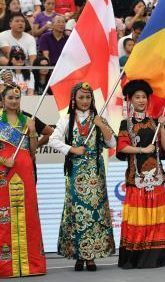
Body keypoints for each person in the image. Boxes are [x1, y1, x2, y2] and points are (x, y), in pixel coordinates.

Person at [49, 82, 116, 271]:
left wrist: (102, 126)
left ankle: (91, 256)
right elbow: (53, 140)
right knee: (76, 214)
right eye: (81, 98)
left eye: (88, 98)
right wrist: (72, 149)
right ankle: (78, 256)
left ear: (92, 100)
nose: (85, 101)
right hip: (75, 173)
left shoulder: (99, 118)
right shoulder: (67, 119)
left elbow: (111, 143)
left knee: (95, 215)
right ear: (74, 99)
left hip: (95, 173)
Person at [117, 80, 165, 269]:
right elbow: (122, 147)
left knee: (155, 217)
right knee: (138, 218)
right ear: (130, 100)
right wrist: (142, 150)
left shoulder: (155, 121)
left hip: (155, 175)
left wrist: (162, 127)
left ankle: (156, 257)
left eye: (144, 97)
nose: (141, 101)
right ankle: (135, 257)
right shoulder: (126, 123)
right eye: (137, 97)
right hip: (136, 176)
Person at [0, 83, 46, 277]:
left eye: (17, 98)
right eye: (10, 98)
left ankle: (32, 265)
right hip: (4, 172)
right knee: (5, 217)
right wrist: (3, 160)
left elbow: (33, 151)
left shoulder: (27, 120)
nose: (14, 101)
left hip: (26, 171)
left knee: (29, 216)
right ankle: (6, 267)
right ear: (3, 100)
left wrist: (33, 131)